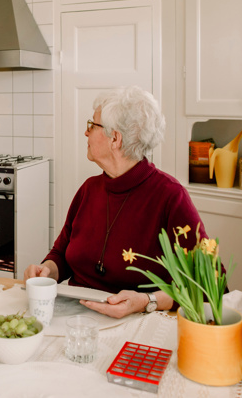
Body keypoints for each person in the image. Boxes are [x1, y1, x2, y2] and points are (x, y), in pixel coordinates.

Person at [24, 86, 209, 318]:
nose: (86, 132)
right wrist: (47, 270)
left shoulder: (171, 197)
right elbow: (61, 254)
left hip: (137, 321)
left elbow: (208, 285)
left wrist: (147, 301)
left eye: (92, 125)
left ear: (115, 138)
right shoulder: (88, 189)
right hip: (75, 318)